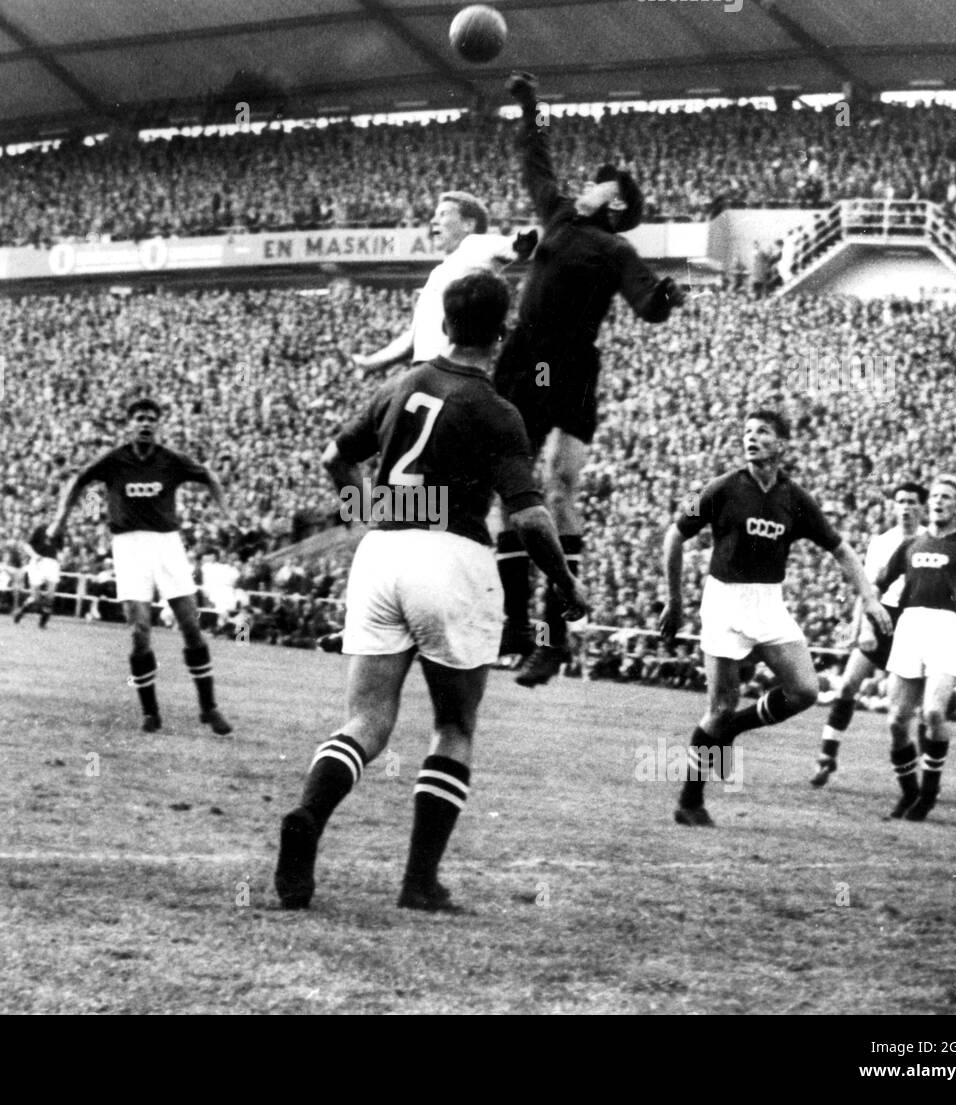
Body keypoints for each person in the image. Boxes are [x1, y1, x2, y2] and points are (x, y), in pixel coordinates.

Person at [274, 272, 589, 912]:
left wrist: (367, 510)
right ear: (501, 334)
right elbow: (528, 516)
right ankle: (419, 882)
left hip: (382, 553)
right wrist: (564, 582)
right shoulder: (497, 411)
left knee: (366, 719)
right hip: (452, 556)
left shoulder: (400, 384)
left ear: (444, 325)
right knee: (453, 726)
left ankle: (309, 814)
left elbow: (334, 456)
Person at [495, 71, 686, 686]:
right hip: (524, 359)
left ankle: (552, 637)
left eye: (597, 183)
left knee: (558, 489)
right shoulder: (554, 214)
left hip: (570, 364)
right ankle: (516, 626)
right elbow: (534, 153)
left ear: (618, 204)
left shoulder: (617, 252)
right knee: (512, 491)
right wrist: (532, 105)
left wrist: (667, 299)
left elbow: (647, 306)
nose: (583, 185)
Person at [658, 410, 891, 827]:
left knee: (805, 690)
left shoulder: (795, 499)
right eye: (747, 432)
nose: (751, 438)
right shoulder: (720, 488)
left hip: (768, 602)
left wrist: (870, 600)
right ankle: (690, 801)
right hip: (724, 602)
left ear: (781, 443)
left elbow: (841, 550)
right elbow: (676, 533)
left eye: (762, 432)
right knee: (720, 706)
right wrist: (674, 602)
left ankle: (732, 731)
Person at [48, 399, 232, 735]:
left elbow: (209, 476)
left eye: (150, 419)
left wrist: (226, 514)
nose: (145, 423)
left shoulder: (170, 460)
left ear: (157, 425)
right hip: (129, 546)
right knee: (139, 630)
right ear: (130, 424)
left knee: (191, 624)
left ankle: (209, 708)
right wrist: (60, 520)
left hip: (167, 544)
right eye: (139, 418)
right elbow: (79, 480)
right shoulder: (115, 460)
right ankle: (150, 712)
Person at [876, 475, 956, 821]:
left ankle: (928, 794)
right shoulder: (911, 545)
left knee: (932, 714)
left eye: (947, 497)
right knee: (897, 720)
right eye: (936, 497)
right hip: (911, 624)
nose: (939, 502)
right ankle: (909, 793)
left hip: (948, 627)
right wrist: (870, 620)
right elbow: (879, 584)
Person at [811, 482, 927, 787]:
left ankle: (927, 773)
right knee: (848, 683)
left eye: (912, 502)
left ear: (922, 508)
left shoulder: (930, 542)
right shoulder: (881, 542)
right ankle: (826, 756)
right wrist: (861, 627)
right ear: (893, 506)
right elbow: (866, 588)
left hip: (915, 621)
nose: (905, 507)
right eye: (900, 501)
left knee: (914, 708)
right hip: (881, 616)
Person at [352, 190, 533, 374]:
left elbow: (512, 246)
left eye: (443, 214)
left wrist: (523, 241)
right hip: (426, 371)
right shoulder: (438, 272)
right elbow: (413, 338)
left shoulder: (473, 245)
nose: (433, 221)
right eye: (434, 215)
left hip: (453, 371)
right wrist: (370, 362)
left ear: (468, 224)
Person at [12, 522, 63, 629]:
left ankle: (43, 622)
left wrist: (61, 558)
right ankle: (21, 611)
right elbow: (27, 545)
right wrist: (35, 555)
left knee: (50, 596)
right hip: (38, 563)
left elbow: (60, 550)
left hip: (52, 564)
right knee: (35, 598)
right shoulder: (40, 529)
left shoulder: (59, 531)